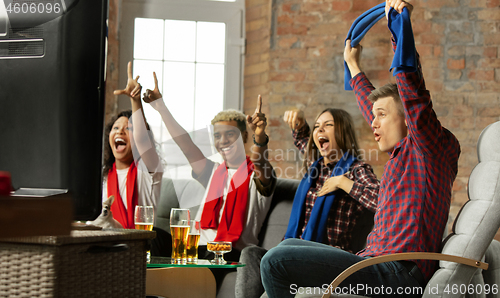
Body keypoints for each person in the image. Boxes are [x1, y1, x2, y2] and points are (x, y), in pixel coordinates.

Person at [260, 1, 461, 297]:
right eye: (374, 115)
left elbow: (411, 87)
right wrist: (353, 66)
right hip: (375, 263)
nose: (373, 122)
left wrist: (398, 25)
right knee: (286, 247)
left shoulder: (428, 148)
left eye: (382, 115)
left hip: (397, 273)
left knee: (275, 262)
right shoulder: (403, 153)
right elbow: (373, 107)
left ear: (408, 116)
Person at [143, 72, 276, 289]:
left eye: (230, 135)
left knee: (184, 277)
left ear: (243, 137)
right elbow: (186, 145)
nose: (223, 141)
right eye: (217, 135)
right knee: (153, 237)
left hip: (229, 252)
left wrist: (259, 136)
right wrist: (161, 107)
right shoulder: (212, 172)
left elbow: (261, 162)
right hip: (196, 247)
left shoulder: (257, 176)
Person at [235, 107, 379, 298]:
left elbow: (382, 201)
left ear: (343, 132)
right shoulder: (316, 166)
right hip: (293, 251)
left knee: (276, 264)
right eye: (317, 126)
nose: (320, 130)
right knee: (250, 254)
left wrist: (343, 182)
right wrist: (301, 123)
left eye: (328, 125)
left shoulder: (356, 169)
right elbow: (304, 140)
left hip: (327, 258)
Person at [102, 61, 162, 229]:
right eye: (116, 128)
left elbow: (143, 140)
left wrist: (135, 100)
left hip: (142, 245)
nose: (120, 132)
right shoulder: (103, 177)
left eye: (129, 129)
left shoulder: (149, 170)